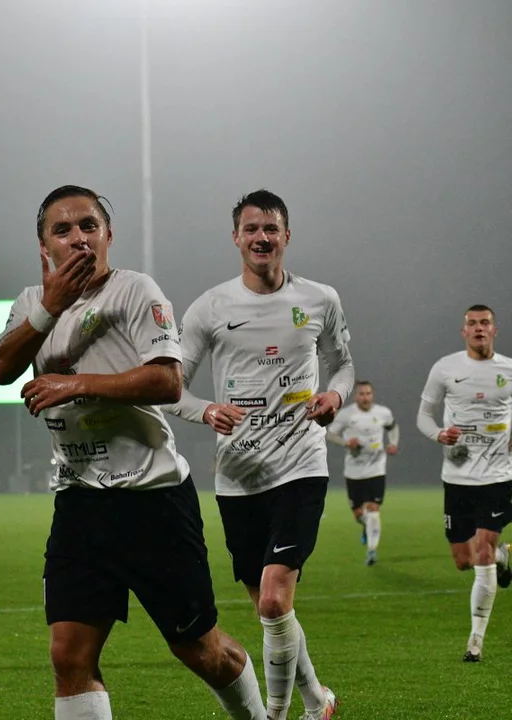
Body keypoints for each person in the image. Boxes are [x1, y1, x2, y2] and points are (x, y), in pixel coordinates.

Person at [0, 185, 265, 720]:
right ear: (43, 244)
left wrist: (75, 385)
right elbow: (2, 367)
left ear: (108, 235)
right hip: (79, 500)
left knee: (198, 650)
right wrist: (48, 309)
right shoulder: (31, 303)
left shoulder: (136, 291)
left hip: (152, 499)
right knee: (69, 655)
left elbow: (167, 380)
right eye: (62, 230)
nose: (78, 238)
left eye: (89, 226)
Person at [166, 189, 352, 720]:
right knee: (270, 609)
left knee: (274, 600)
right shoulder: (210, 308)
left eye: (271, 228)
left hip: (301, 465)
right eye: (251, 229)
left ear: (286, 236)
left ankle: (275, 714)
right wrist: (204, 411)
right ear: (236, 239)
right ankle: (317, 697)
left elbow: (343, 365)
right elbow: (170, 384)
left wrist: (336, 395)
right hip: (239, 478)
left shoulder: (320, 300)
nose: (261, 238)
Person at [416, 304, 512, 662]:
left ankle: (475, 641)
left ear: (494, 330)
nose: (478, 329)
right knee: (463, 560)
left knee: (482, 552)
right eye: (472, 324)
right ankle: (504, 556)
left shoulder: (508, 369)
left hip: (498, 477)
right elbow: (423, 416)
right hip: (456, 479)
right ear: (463, 331)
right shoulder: (446, 368)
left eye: (485, 323)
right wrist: (440, 434)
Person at [326, 381, 399, 565]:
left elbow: (393, 427)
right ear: (356, 396)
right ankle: (367, 527)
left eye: (368, 393)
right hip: (354, 471)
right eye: (361, 394)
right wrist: (346, 442)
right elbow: (329, 434)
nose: (365, 397)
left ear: (372, 395)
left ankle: (372, 551)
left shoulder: (383, 412)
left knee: (374, 510)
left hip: (376, 469)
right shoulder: (346, 415)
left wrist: (393, 443)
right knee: (359, 515)